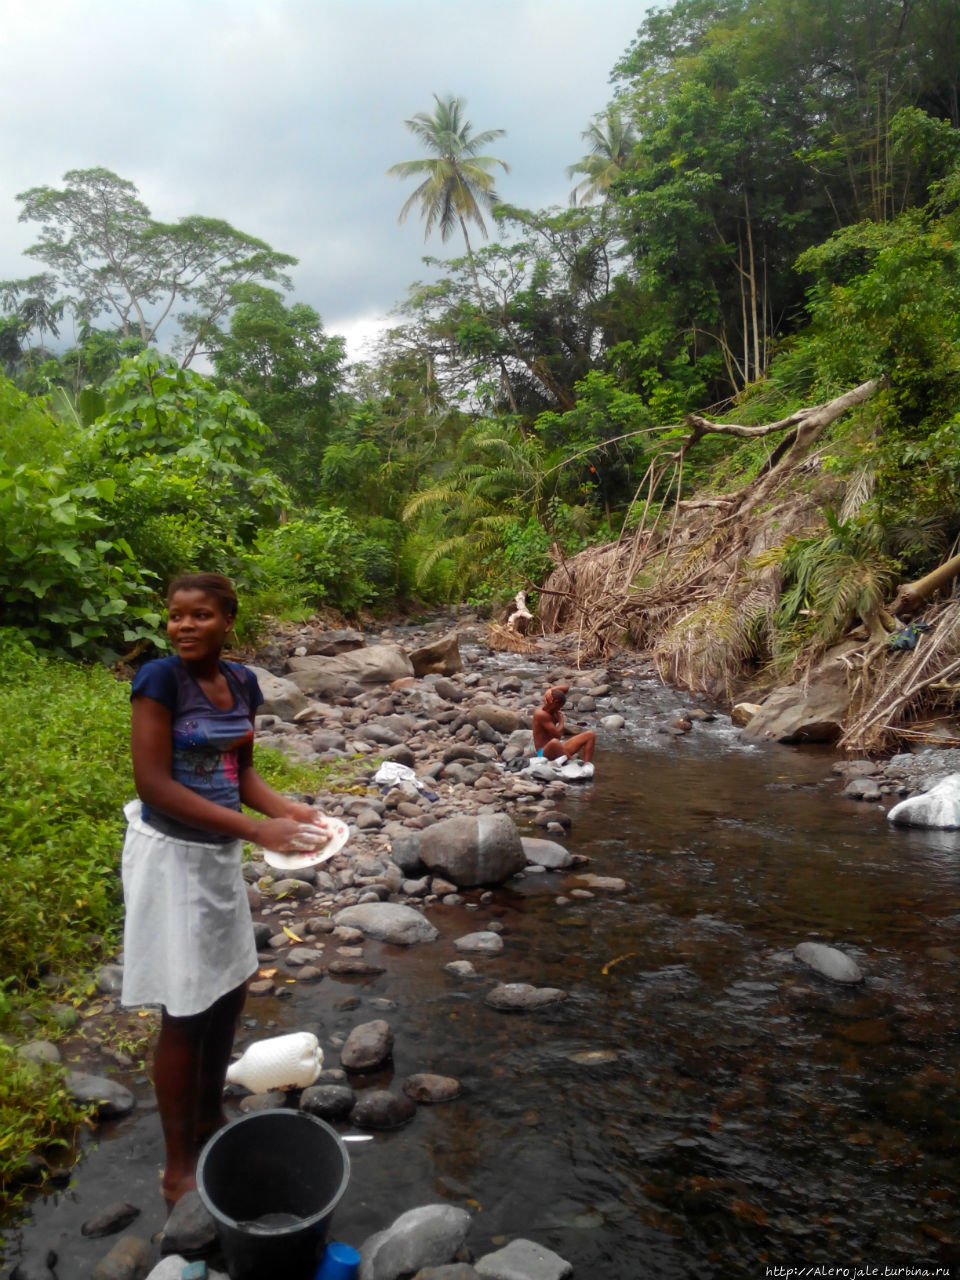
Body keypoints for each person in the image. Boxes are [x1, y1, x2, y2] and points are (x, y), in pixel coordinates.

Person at [120, 572, 333, 1206]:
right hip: (171, 858)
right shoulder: (159, 680)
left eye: (200, 616)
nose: (184, 626)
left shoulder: (241, 682)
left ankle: (211, 1119)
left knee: (229, 988)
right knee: (185, 1009)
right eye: (176, 615)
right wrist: (255, 829)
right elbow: (155, 785)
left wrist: (292, 813)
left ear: (227, 620)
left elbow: (240, 772)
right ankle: (178, 1166)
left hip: (216, 856)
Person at [531, 684, 595, 777]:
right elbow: (557, 736)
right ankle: (573, 764)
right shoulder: (541, 714)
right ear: (555, 702)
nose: (559, 709)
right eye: (559, 706)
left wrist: (550, 690)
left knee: (590, 734)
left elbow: (566, 687)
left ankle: (587, 766)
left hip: (557, 749)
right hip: (543, 753)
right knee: (554, 742)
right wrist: (561, 721)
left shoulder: (550, 699)